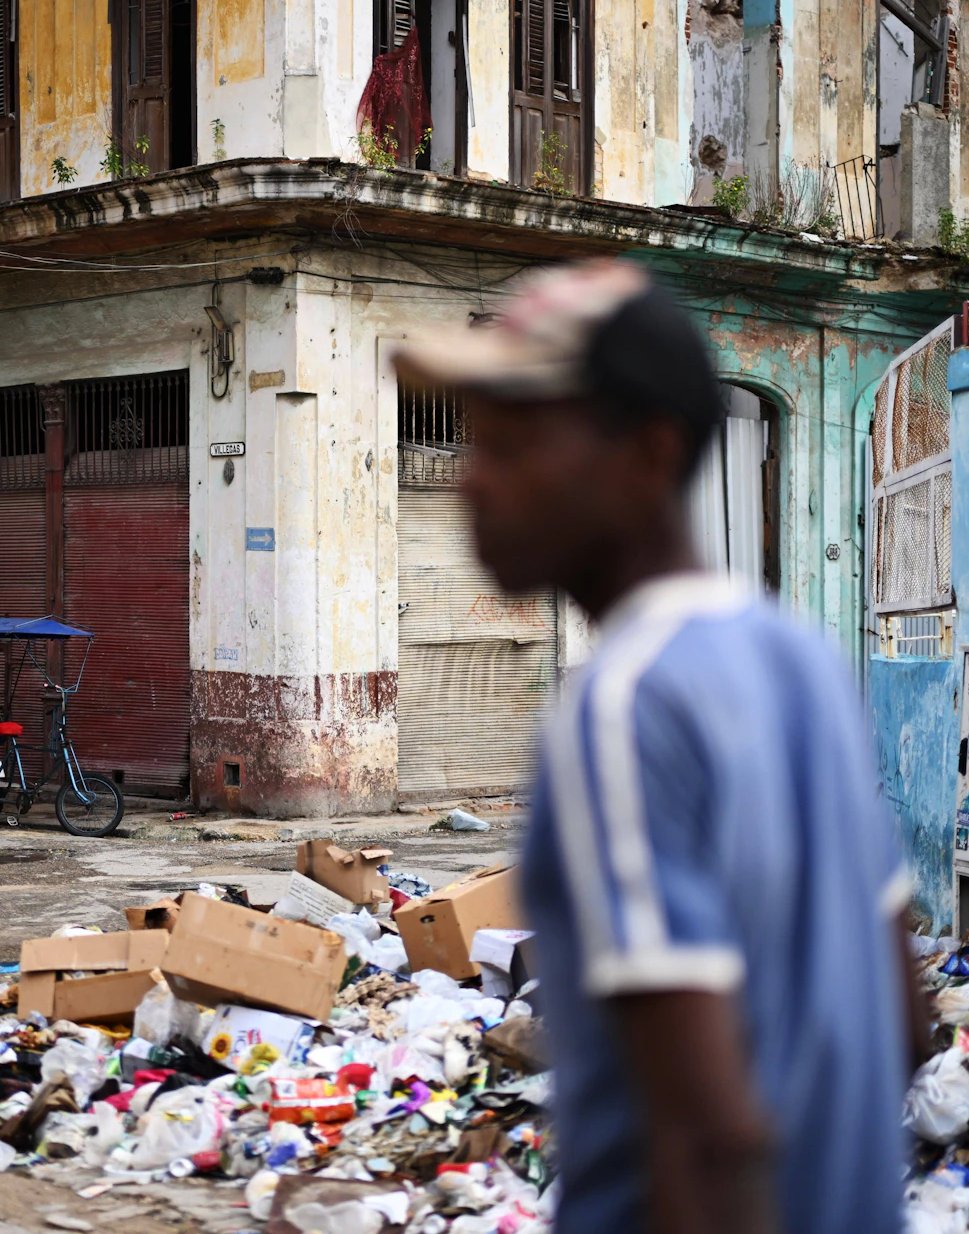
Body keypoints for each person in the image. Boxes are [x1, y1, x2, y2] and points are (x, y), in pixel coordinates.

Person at [395, 260, 925, 1234]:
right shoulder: (795, 656)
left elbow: (704, 1136)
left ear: (645, 455)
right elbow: (902, 1013)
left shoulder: (618, 706)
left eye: (512, 444)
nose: (471, 479)